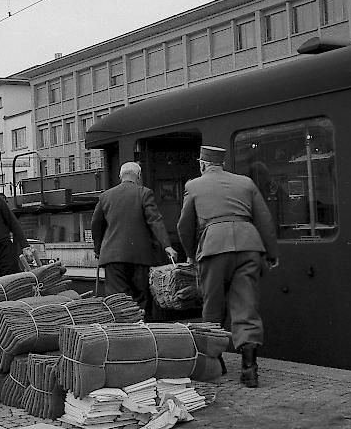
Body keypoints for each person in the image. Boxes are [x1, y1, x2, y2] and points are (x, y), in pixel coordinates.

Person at [177, 145, 279, 388]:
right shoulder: (245, 183)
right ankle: (249, 369)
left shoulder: (194, 185)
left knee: (212, 305)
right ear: (221, 163)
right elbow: (264, 219)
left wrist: (192, 255)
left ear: (202, 164)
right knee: (246, 305)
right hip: (248, 246)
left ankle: (216, 363)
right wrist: (272, 253)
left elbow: (184, 226)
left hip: (213, 248)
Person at [91, 161, 177, 319]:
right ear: (138, 176)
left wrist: (98, 250)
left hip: (113, 258)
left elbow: (96, 226)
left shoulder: (105, 196)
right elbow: (155, 220)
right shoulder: (144, 193)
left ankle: (122, 333)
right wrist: (167, 246)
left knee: (118, 302)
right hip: (140, 257)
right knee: (141, 300)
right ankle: (142, 332)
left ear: (120, 176)